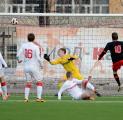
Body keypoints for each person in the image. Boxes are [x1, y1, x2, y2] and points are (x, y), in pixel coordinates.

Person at [17, 33, 44, 102]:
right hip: (33, 67)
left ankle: (26, 99)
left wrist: (19, 60)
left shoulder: (23, 45)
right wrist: (41, 65)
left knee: (28, 82)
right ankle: (38, 98)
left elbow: (17, 55)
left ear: (27, 38)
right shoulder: (36, 47)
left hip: (26, 67)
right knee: (39, 81)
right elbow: (38, 57)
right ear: (34, 39)